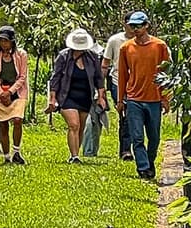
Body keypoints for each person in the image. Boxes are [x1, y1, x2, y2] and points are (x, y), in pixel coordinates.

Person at [118, 10, 171, 181]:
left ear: (147, 25)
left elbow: (167, 72)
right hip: (134, 98)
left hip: (154, 98)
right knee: (137, 136)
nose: (135, 29)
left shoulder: (159, 46)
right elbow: (122, 75)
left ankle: (150, 161)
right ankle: (143, 167)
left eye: (139, 26)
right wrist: (121, 99)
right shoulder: (126, 48)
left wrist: (165, 97)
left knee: (154, 137)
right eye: (132, 26)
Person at [46, 28, 106, 164]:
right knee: (74, 125)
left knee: (81, 126)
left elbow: (99, 78)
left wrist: (101, 96)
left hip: (85, 97)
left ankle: (76, 153)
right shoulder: (63, 57)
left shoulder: (92, 57)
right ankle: (74, 156)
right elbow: (55, 78)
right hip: (66, 96)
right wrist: (52, 98)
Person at [0, 26, 30, 164]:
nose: (3, 44)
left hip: (17, 91)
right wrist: (1, 93)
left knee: (18, 120)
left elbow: (22, 76)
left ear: (12, 41)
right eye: (1, 41)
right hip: (0, 90)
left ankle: (16, 151)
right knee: (2, 124)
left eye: (6, 41)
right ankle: (6, 155)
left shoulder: (21, 55)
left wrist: (10, 92)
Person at [103, 18, 130, 160]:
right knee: (124, 115)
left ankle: (131, 148)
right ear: (124, 24)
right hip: (117, 82)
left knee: (134, 117)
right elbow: (105, 63)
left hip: (138, 84)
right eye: (131, 25)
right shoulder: (115, 41)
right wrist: (100, 86)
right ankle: (125, 150)